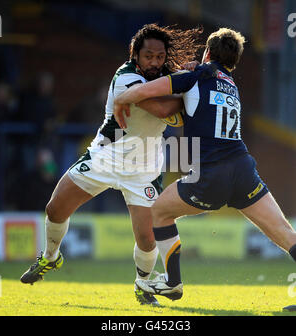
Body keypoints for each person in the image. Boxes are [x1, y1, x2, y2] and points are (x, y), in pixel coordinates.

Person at [20, 23, 204, 306]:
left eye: (159, 56)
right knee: (55, 209)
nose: (154, 62)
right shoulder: (126, 77)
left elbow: (176, 93)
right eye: (148, 56)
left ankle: (143, 284)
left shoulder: (168, 77)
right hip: (106, 157)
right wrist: (188, 86)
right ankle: (51, 257)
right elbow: (163, 109)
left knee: (146, 238)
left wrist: (187, 75)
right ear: (135, 55)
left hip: (144, 167)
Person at [113, 27, 296, 301]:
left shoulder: (196, 76)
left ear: (208, 51)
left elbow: (150, 90)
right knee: (284, 232)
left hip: (211, 173)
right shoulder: (231, 84)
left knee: (160, 211)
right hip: (243, 170)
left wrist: (122, 98)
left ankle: (173, 282)